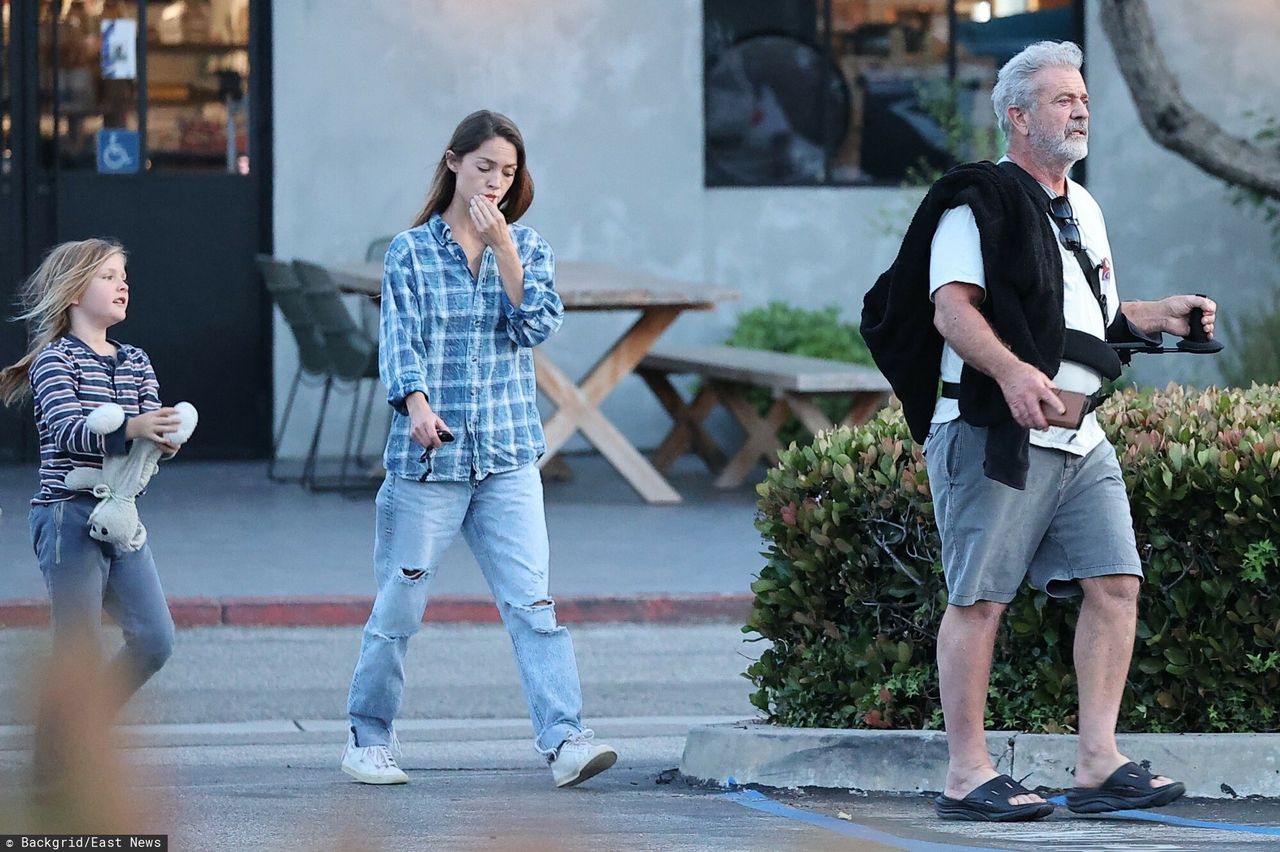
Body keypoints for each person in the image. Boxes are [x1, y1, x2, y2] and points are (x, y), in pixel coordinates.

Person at [862, 41, 1211, 821]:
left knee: (1115, 583)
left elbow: (1091, 318)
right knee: (980, 598)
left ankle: (1097, 763)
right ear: (1017, 116)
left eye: (1082, 97)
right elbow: (952, 309)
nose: (1080, 109)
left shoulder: (1082, 206)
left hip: (1079, 434)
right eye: (1061, 99)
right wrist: (1014, 373)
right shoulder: (975, 200)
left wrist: (1162, 318)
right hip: (992, 424)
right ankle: (966, 773)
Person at [341, 110, 618, 788]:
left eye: (509, 171)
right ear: (454, 163)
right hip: (429, 463)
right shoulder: (409, 251)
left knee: (533, 607)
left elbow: (537, 326)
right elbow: (399, 339)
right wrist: (416, 405)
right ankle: (368, 738)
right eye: (485, 167)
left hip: (507, 459)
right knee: (399, 608)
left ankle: (565, 740)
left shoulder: (527, 247)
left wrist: (507, 255)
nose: (495, 182)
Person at [0, 239, 179, 708]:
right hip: (68, 516)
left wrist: (162, 438)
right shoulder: (55, 360)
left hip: (122, 517)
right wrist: (135, 426)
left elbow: (146, 436)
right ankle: (59, 763)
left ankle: (84, 735)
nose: (122, 285)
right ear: (75, 292)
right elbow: (67, 431)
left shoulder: (136, 360)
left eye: (123, 277)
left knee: (156, 639)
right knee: (75, 650)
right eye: (108, 276)